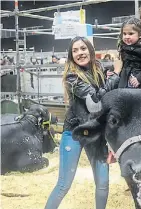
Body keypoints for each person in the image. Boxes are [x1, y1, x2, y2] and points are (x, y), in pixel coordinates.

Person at [45, 36, 120, 209]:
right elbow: (95, 99)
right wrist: (115, 74)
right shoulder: (72, 77)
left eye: (83, 48)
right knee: (64, 184)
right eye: (75, 50)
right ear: (71, 56)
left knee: (103, 183)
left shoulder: (100, 70)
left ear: (91, 50)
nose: (80, 53)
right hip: (74, 132)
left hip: (96, 132)